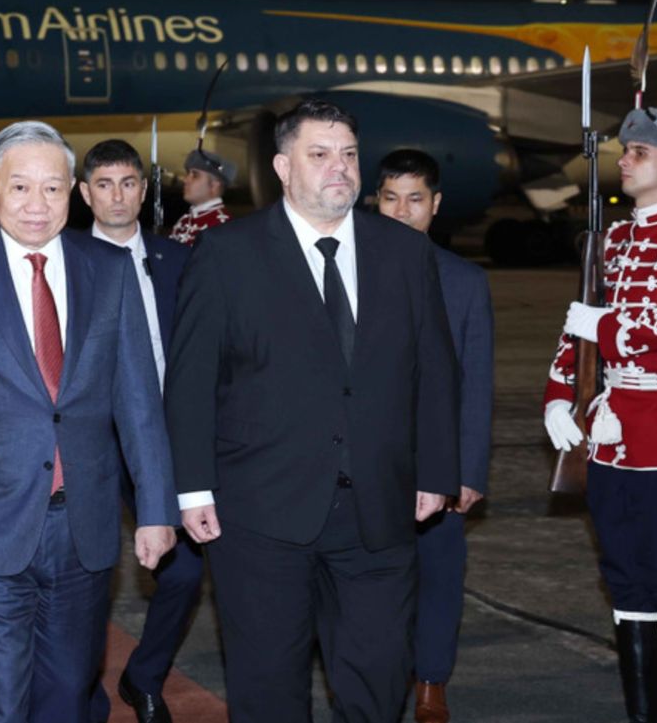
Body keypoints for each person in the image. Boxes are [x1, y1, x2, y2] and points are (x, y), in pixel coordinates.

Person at [166, 97, 459, 723]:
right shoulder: (227, 254)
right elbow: (190, 380)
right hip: (260, 511)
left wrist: (436, 470)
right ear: (281, 166)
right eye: (320, 155)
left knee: (378, 683)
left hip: (379, 509)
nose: (340, 169)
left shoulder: (404, 253)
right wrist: (192, 488)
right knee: (268, 685)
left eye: (349, 155)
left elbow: (434, 367)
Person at [0, 121, 179, 723]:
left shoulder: (109, 270)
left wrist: (156, 508)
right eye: (19, 187)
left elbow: (139, 403)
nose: (36, 204)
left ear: (72, 192)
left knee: (68, 692)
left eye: (52, 189)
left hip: (84, 527)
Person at [543, 107, 657, 723]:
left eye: (638, 152)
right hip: (610, 433)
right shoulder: (613, 239)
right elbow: (577, 329)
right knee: (623, 573)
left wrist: (608, 326)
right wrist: (558, 398)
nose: (624, 158)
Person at [77, 139, 196, 723]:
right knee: (88, 574)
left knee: (187, 570)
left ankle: (144, 675)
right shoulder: (68, 262)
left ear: (144, 190)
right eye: (104, 184)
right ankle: (83, 690)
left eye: (128, 183)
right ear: (85, 193)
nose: (118, 195)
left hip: (167, 439)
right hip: (94, 443)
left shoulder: (178, 260)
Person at [376, 150, 494, 723]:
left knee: (439, 576)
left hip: (435, 461)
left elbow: (476, 380)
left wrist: (468, 470)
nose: (402, 211)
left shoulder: (465, 282)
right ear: (374, 201)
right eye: (391, 198)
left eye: (415, 199)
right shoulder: (343, 271)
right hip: (365, 462)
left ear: (436, 205)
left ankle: (430, 683)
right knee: (368, 582)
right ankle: (375, 679)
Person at [167, 149, 234, 245]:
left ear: (213, 186)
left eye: (195, 175)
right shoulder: (183, 222)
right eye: (187, 174)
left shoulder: (222, 226)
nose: (186, 180)